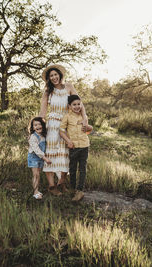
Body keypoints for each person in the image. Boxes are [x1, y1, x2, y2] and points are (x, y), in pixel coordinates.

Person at [39, 64, 88, 196]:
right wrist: (38, 127)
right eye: (51, 76)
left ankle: (62, 182)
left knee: (66, 154)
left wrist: (85, 118)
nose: (54, 77)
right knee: (51, 153)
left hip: (68, 124)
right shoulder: (48, 91)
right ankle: (51, 186)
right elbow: (42, 112)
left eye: (56, 74)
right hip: (53, 125)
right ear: (49, 79)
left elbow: (79, 103)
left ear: (60, 75)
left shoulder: (69, 87)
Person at [59, 95, 93, 201]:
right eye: (74, 104)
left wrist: (89, 128)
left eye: (79, 104)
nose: (77, 106)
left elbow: (88, 130)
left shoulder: (83, 117)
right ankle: (73, 189)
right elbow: (61, 131)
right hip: (73, 146)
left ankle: (80, 191)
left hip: (84, 145)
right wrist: (68, 141)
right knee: (72, 169)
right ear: (69, 106)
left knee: (82, 168)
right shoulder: (67, 117)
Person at [27, 117, 52, 200]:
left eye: (39, 124)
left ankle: (37, 190)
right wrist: (45, 158)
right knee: (36, 175)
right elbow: (37, 150)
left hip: (40, 158)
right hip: (34, 157)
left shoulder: (43, 135)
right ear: (33, 127)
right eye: (35, 125)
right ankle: (35, 192)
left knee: (38, 174)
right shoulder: (33, 137)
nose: (38, 126)